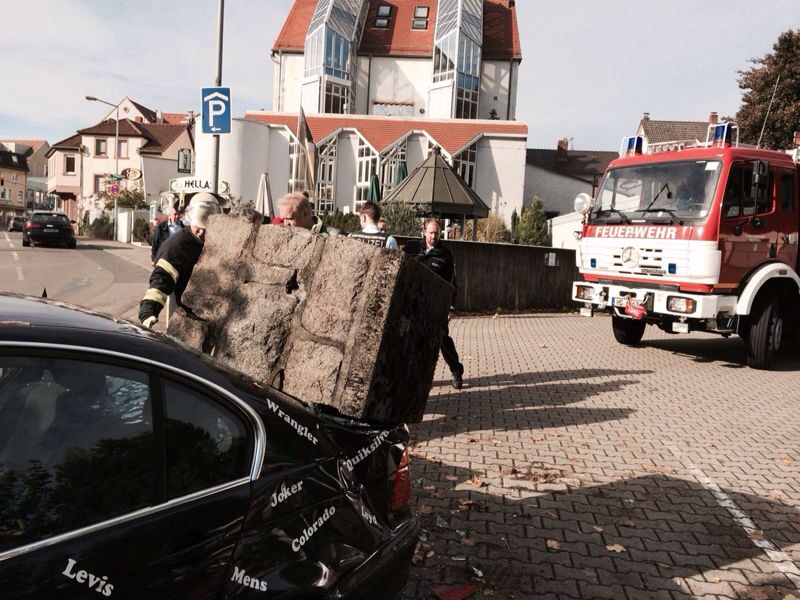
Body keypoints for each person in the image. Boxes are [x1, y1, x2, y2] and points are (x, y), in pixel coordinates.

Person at [138, 193, 221, 329]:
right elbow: (162, 277)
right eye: (198, 227)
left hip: (212, 312)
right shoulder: (177, 245)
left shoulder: (217, 241)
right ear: (190, 219)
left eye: (205, 229)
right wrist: (148, 311)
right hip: (185, 314)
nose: (201, 232)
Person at [403, 217, 464, 389]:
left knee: (442, 339)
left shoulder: (445, 254)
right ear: (424, 232)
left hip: (436, 305)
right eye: (431, 233)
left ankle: (456, 370)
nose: (434, 236)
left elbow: (452, 282)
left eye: (437, 233)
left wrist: (451, 307)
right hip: (415, 303)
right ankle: (414, 376)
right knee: (412, 339)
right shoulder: (412, 248)